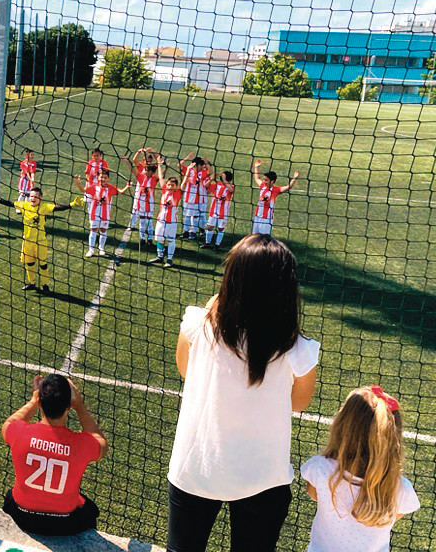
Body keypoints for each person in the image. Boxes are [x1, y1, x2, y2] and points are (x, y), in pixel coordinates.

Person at [167, 234, 319, 552]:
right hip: (263, 478)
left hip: (195, 470)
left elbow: (185, 371)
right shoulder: (297, 349)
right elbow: (299, 401)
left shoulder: (197, 326)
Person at [300, 386, 419, 552]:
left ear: (342, 427)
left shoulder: (320, 468)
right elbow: (396, 515)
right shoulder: (400, 489)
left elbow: (314, 494)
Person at [1, 374, 108, 536]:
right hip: (64, 523)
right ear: (68, 406)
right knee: (90, 510)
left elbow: (8, 424)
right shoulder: (81, 444)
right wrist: (80, 406)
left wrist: (33, 401)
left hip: (21, 516)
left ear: (41, 401)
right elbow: (102, 444)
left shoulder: (19, 433)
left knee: (10, 497)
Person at [0, 188, 73, 294]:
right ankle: (31, 283)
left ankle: (45, 285)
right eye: (31, 196)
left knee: (42, 264)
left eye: (35, 196)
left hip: (40, 241)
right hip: (27, 241)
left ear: (40, 198)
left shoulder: (44, 207)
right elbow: (10, 203)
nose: (33, 198)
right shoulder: (25, 206)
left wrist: (71, 204)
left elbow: (59, 208)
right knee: (29, 263)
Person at [74, 170, 131, 257]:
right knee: (93, 230)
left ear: (108, 179)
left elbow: (120, 192)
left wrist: (127, 186)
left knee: (103, 230)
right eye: (101, 177)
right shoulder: (94, 187)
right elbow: (83, 190)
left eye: (105, 177)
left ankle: (101, 248)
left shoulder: (110, 188)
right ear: (98, 178)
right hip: (94, 214)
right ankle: (91, 250)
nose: (103, 179)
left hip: (105, 215)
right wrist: (78, 183)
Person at [149, 156, 187, 268]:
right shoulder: (164, 190)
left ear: (176, 187)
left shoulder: (178, 193)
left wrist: (188, 171)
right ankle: (160, 257)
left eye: (172, 185)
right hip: (161, 220)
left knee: (171, 241)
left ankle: (169, 260)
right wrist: (159, 165)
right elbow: (161, 178)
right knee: (159, 239)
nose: (170, 186)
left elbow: (184, 182)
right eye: (169, 184)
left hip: (171, 222)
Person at [252, 160, 299, 235]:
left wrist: (294, 178)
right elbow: (257, 178)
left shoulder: (276, 190)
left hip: (267, 220)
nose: (264, 181)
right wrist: (256, 168)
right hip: (257, 217)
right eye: (264, 179)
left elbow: (288, 187)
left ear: (272, 181)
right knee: (254, 238)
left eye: (266, 180)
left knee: (264, 240)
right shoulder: (262, 186)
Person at [127, 147, 159, 244]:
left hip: (150, 202)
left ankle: (149, 239)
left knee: (149, 221)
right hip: (140, 195)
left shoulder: (154, 178)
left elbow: (159, 162)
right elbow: (133, 165)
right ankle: (139, 234)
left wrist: (153, 151)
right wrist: (139, 151)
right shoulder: (141, 173)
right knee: (137, 212)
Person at [200, 170, 235, 250]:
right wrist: (212, 178)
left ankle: (217, 245)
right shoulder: (217, 185)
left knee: (220, 228)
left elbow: (231, 191)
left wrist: (225, 181)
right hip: (214, 211)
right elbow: (206, 186)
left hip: (223, 213)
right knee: (210, 227)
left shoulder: (231, 186)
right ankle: (207, 243)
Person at [178, 155, 209, 240]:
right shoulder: (189, 170)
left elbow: (210, 171)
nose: (202, 167)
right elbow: (180, 166)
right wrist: (187, 159)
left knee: (195, 216)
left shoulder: (203, 173)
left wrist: (205, 160)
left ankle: (194, 232)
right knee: (187, 215)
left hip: (198, 198)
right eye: (201, 165)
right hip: (188, 197)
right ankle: (186, 232)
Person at [83, 147, 109, 214]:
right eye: (94, 156)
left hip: (99, 186)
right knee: (90, 201)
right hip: (91, 185)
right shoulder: (90, 163)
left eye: (97, 155)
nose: (96, 157)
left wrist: (100, 173)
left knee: (99, 201)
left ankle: (98, 215)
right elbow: (87, 172)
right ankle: (91, 216)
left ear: (100, 156)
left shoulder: (103, 163)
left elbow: (106, 173)